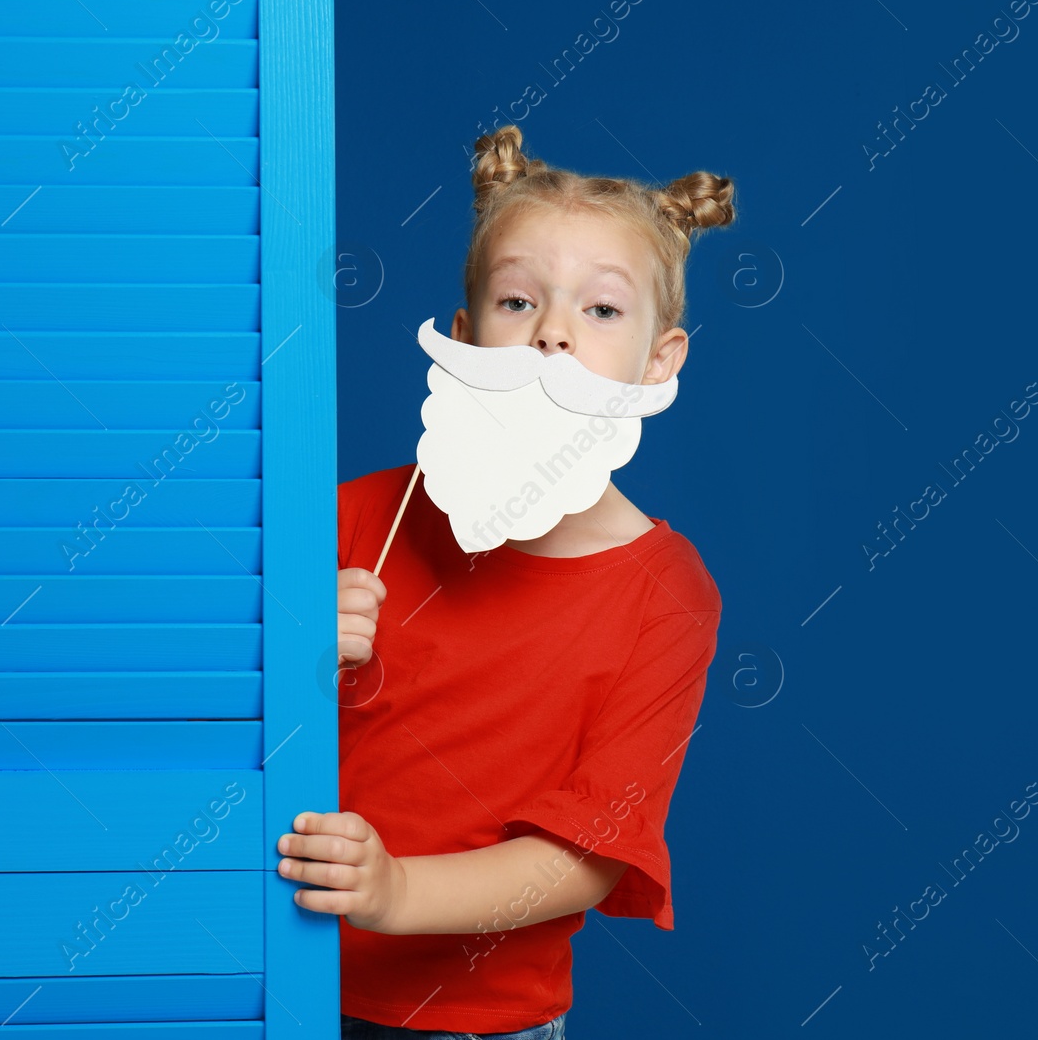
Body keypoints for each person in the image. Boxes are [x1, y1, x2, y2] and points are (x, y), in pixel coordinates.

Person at [278, 124, 734, 1038]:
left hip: (485, 1022)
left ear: (660, 361)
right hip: (284, 987)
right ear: (463, 335)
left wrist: (397, 889)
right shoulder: (351, 520)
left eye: (601, 311)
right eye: (518, 299)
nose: (553, 333)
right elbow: (215, 726)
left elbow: (588, 857)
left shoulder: (669, 595)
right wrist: (291, 662)